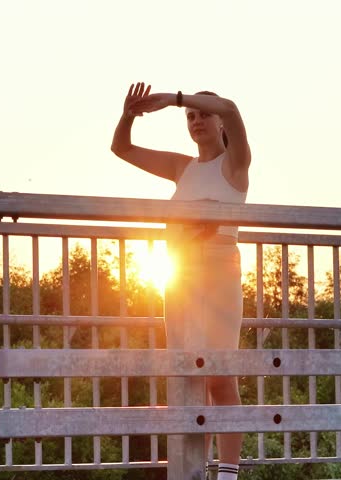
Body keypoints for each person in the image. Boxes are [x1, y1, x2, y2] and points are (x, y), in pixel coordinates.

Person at [111, 82, 250, 480]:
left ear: (218, 120)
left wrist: (175, 99)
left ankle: (228, 473)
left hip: (220, 269)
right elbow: (122, 149)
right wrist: (128, 115)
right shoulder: (182, 167)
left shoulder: (235, 164)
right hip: (181, 276)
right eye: (190, 117)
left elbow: (233, 107)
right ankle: (193, 469)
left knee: (221, 373)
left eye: (203, 113)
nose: (196, 120)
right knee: (190, 373)